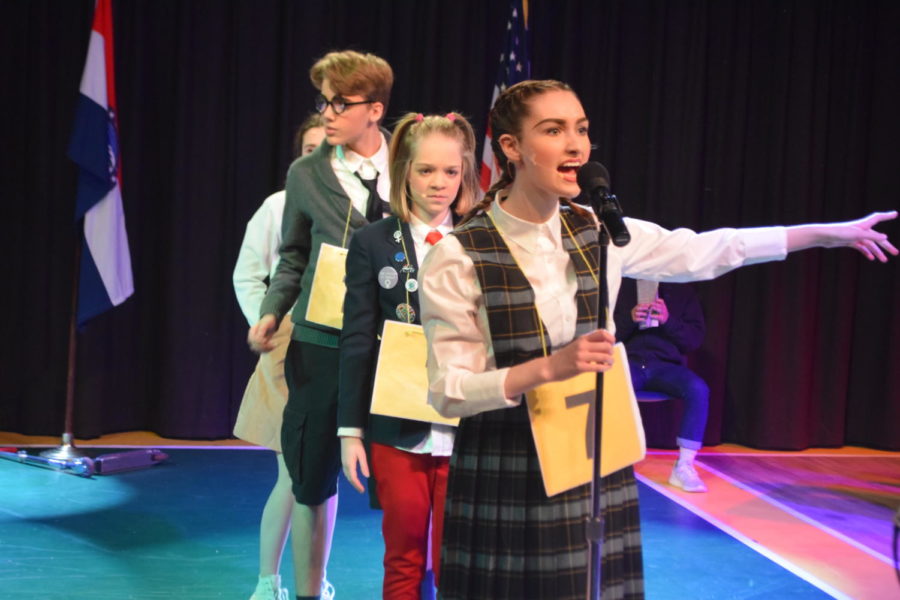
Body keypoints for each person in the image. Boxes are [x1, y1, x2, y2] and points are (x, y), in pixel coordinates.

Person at [418, 78, 896, 600]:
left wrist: (827, 233)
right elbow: (449, 389)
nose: (576, 143)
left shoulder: (598, 230)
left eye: (581, 129)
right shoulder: (459, 253)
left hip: (592, 457)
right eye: (553, 130)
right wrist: (550, 369)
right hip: (506, 463)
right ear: (510, 147)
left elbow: (709, 251)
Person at [247, 50, 394, 600]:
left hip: (395, 344)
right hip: (321, 341)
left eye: (340, 102)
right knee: (310, 479)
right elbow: (291, 257)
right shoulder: (306, 174)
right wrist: (271, 312)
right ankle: (308, 592)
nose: (328, 114)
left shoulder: (410, 164)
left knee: (403, 480)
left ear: (374, 109)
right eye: (323, 102)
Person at [338, 112, 479, 599]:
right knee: (403, 556)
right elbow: (356, 338)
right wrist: (350, 430)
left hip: (469, 427)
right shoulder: (373, 242)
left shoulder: (484, 240)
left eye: (450, 171)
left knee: (456, 561)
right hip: (398, 428)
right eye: (425, 171)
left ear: (464, 174)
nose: (439, 183)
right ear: (403, 171)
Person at [233, 113, 326, 600]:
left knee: (319, 473)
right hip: (289, 339)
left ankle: (315, 582)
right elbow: (249, 274)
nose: (320, 158)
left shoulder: (358, 205)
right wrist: (265, 319)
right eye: (310, 148)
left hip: (341, 342)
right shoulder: (278, 206)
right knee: (293, 471)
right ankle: (269, 582)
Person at [614, 280, 710, 492]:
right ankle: (609, 461)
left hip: (665, 366)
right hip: (629, 362)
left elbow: (693, 340)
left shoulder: (683, 289)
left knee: (698, 389)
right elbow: (604, 334)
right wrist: (629, 319)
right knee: (608, 385)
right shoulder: (620, 286)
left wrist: (668, 320)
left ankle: (684, 466)